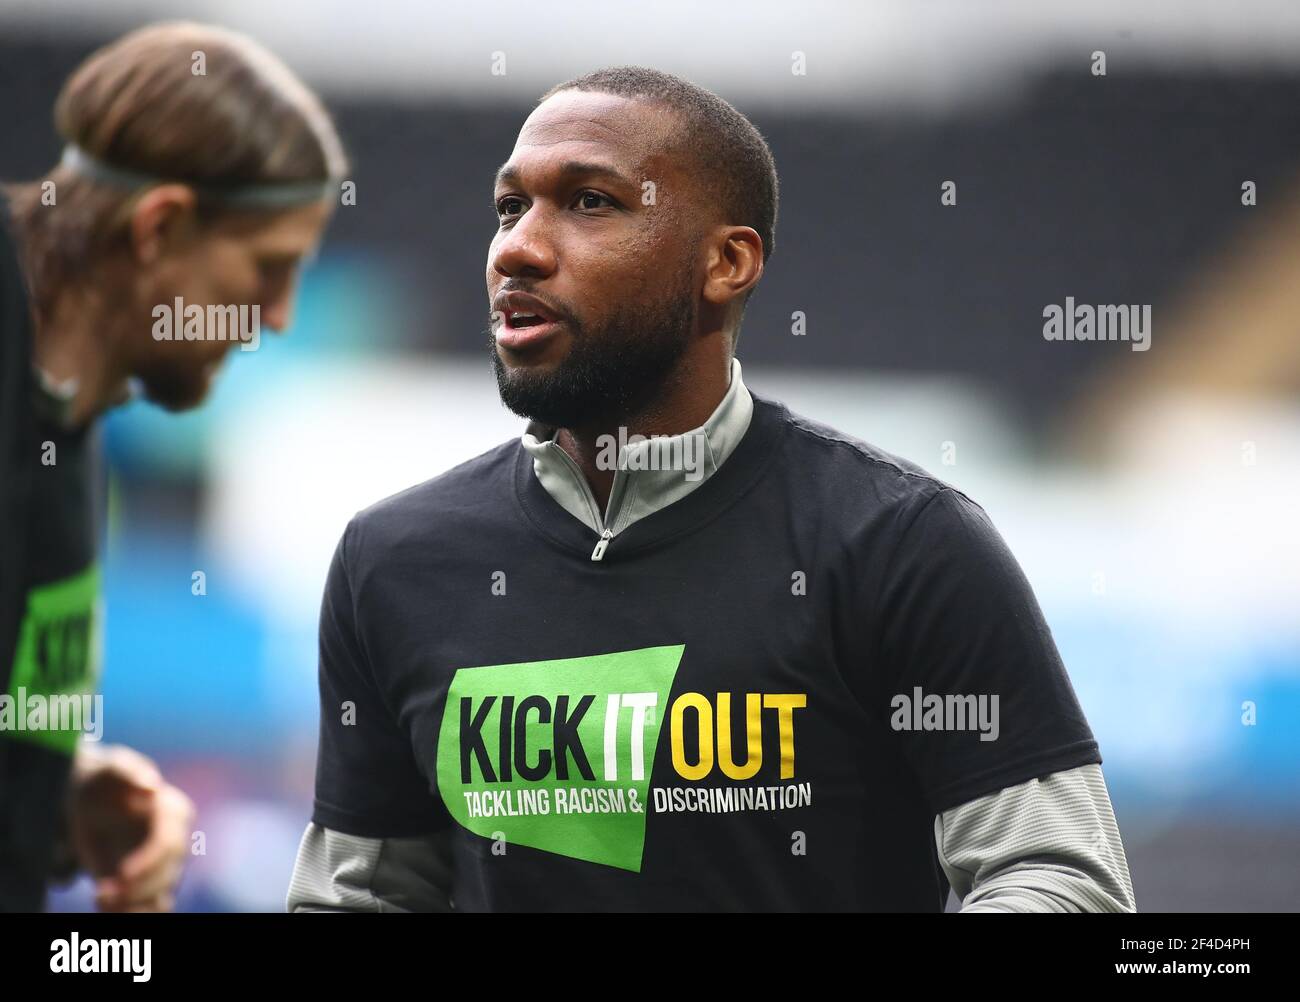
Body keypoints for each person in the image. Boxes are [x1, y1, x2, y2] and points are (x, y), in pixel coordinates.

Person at [288, 67, 1134, 912]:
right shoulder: (394, 561)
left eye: (590, 202)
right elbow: (356, 897)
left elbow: (1059, 875)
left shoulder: (901, 544)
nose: (518, 247)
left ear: (727, 262)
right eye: (511, 207)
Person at [1, 21, 347, 912]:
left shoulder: (74, 420)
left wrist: (53, 788)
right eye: (269, 270)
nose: (277, 316)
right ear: (159, 227)